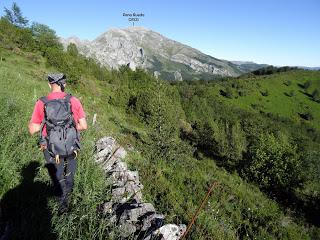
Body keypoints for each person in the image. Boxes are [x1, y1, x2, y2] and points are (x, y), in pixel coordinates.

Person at [28, 73, 87, 214]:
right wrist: (68, 129)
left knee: (57, 176)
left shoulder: (42, 102)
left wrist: (45, 128)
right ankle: (67, 198)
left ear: (49, 85)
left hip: (50, 148)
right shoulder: (74, 100)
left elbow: (32, 129)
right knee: (69, 175)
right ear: (64, 84)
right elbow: (83, 126)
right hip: (72, 146)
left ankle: (62, 207)